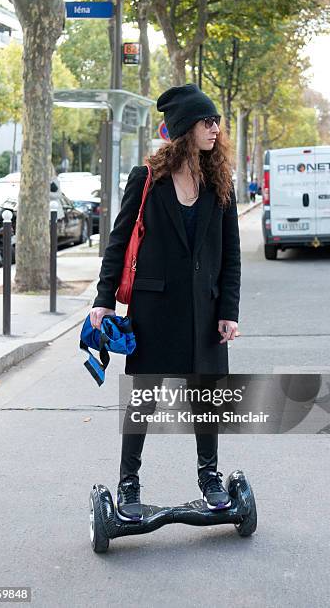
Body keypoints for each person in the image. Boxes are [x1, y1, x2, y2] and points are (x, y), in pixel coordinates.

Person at [90, 83, 241, 521]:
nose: (214, 129)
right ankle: (128, 483)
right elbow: (118, 245)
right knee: (143, 398)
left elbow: (229, 255)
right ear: (183, 129)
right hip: (154, 310)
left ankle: (209, 476)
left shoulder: (220, 183)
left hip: (206, 311)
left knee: (208, 398)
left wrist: (229, 310)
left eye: (216, 122)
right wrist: (103, 300)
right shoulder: (147, 180)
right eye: (205, 122)